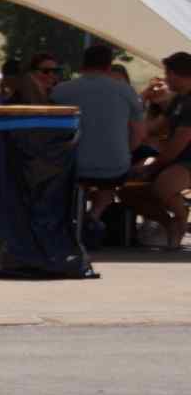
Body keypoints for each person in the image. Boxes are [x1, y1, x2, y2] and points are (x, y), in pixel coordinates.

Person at [54, 43, 146, 241]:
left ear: (83, 65)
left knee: (72, 179)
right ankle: (94, 214)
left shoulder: (60, 91)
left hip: (72, 166)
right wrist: (124, 152)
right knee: (111, 180)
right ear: (108, 66)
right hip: (114, 166)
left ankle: (73, 219)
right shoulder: (127, 92)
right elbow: (139, 135)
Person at [132, 51, 191, 250]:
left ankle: (181, 219)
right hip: (175, 160)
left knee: (162, 187)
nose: (165, 78)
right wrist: (143, 100)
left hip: (186, 161)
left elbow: (180, 141)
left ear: (177, 74)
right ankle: (169, 223)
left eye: (167, 73)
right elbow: (154, 127)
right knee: (129, 189)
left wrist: (155, 166)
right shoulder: (178, 100)